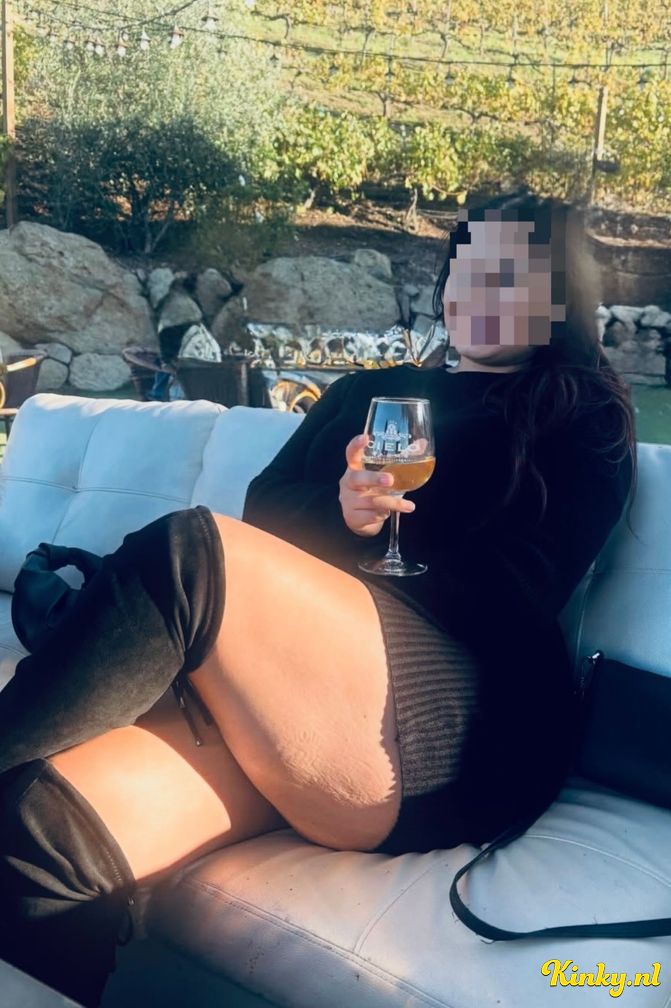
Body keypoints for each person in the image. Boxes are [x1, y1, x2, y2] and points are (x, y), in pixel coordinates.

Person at [0, 189, 636, 1007]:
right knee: (42, 830)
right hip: (305, 710)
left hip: (453, 729)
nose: (480, 291)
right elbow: (265, 510)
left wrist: (389, 541)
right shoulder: (368, 392)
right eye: (467, 269)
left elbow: (522, 593)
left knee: (190, 549)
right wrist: (344, 514)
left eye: (510, 276)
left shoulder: (578, 413)